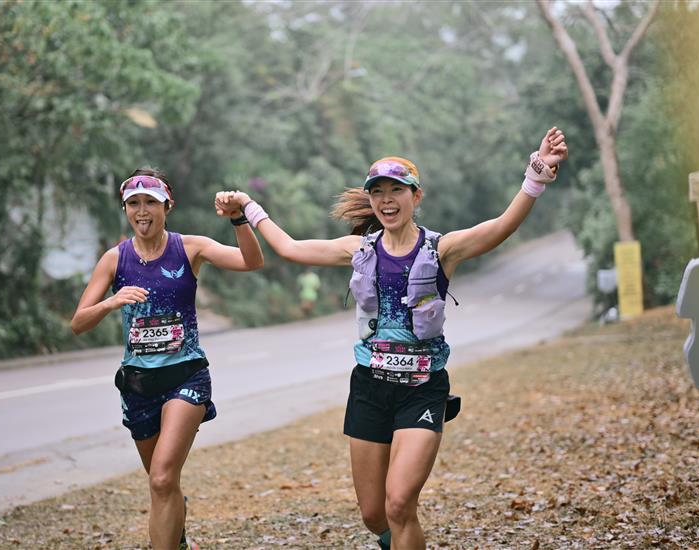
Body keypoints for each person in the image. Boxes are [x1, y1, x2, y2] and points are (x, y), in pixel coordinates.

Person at [215, 128, 568, 550]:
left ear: (416, 196)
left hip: (422, 390)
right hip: (370, 388)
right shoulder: (358, 249)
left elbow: (500, 227)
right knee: (374, 514)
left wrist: (536, 176)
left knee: (399, 504)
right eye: (378, 191)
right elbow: (289, 247)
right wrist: (246, 208)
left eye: (397, 190)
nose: (387, 199)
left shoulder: (441, 249)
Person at [71, 168, 263, 550]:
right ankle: (179, 538)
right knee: (163, 485)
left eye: (150, 203)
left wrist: (238, 218)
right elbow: (78, 323)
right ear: (125, 208)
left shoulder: (189, 248)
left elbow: (250, 261)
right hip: (138, 384)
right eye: (134, 203)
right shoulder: (115, 259)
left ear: (167, 206)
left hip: (186, 376)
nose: (142, 211)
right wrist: (111, 301)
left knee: (161, 478)